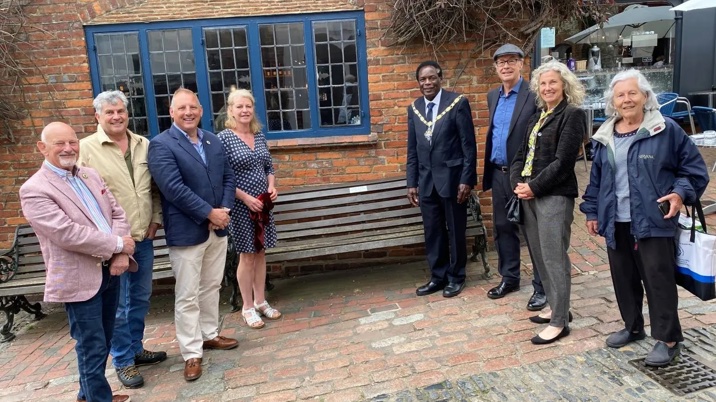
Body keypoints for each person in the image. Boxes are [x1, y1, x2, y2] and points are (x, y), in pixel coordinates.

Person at [580, 69, 709, 366]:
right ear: (613, 101)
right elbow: (596, 180)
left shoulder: (666, 130)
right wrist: (591, 210)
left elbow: (694, 171)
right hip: (616, 219)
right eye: (620, 95)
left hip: (654, 219)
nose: (626, 100)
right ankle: (633, 326)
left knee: (658, 279)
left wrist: (679, 193)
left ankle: (668, 338)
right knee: (623, 278)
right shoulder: (605, 135)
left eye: (632, 93)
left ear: (645, 97)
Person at [20, 122, 134, 402]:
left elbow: (117, 214)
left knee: (105, 338)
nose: (68, 148)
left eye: (72, 141)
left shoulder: (89, 175)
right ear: (42, 148)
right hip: (79, 278)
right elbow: (67, 233)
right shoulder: (34, 189)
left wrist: (119, 254)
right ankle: (99, 398)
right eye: (59, 143)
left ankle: (88, 394)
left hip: (110, 271)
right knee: (91, 344)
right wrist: (119, 245)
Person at [147, 88, 239, 382]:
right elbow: (172, 189)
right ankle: (191, 352)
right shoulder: (161, 145)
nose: (188, 112)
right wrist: (208, 213)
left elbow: (228, 177)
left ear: (201, 110)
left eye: (193, 107)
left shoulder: (212, 140)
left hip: (218, 226)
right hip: (187, 231)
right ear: (171, 112)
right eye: (182, 108)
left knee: (212, 285)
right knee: (187, 294)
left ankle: (209, 334)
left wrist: (222, 210)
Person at [78, 90, 166, 389]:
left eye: (120, 111)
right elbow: (81, 199)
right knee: (119, 305)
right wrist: (110, 242)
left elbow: (153, 188)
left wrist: (156, 219)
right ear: (98, 117)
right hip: (113, 244)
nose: (116, 117)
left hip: (143, 238)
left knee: (140, 299)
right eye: (109, 113)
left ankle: (135, 348)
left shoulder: (143, 145)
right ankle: (123, 361)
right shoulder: (85, 150)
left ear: (127, 113)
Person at [509, 61, 586, 345]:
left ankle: (559, 322)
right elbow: (520, 154)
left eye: (553, 82)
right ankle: (558, 307)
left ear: (564, 85)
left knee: (555, 257)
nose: (547, 88)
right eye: (543, 84)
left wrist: (533, 187)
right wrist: (518, 184)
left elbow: (564, 162)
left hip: (553, 195)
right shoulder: (538, 116)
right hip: (528, 194)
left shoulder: (572, 115)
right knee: (541, 257)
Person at [406, 60, 477, 298]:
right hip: (426, 182)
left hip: (453, 180)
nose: (427, 83)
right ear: (418, 83)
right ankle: (438, 276)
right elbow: (412, 150)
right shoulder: (414, 108)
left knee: (456, 230)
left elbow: (469, 145)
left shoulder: (457, 103)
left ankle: (456, 277)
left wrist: (467, 179)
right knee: (433, 231)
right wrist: (411, 182)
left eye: (431, 78)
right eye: (422, 79)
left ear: (440, 78)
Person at [482, 44, 545, 311]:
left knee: (533, 231)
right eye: (500, 62)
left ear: (522, 64)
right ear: (495, 68)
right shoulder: (492, 95)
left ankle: (542, 286)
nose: (505, 66)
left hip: (525, 176)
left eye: (511, 61)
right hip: (499, 173)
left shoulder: (534, 95)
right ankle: (510, 278)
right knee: (503, 228)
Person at [216, 89, 281, 329]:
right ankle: (247, 307)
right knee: (247, 255)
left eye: (248, 106)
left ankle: (261, 300)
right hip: (242, 207)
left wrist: (272, 187)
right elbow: (222, 176)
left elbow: (268, 168)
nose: (244, 110)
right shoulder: (223, 138)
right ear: (231, 110)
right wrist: (245, 198)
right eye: (239, 106)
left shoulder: (259, 135)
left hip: (263, 205)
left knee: (261, 252)